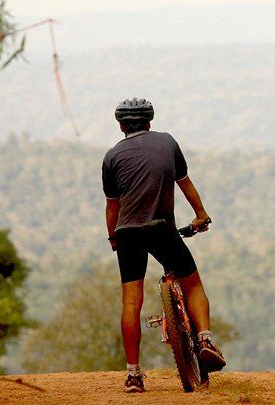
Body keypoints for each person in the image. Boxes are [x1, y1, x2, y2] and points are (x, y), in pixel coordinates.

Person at [102, 98, 226, 393]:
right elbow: (184, 182)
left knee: (131, 302)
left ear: (121, 125)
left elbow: (112, 207)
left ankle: (133, 374)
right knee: (193, 285)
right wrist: (201, 215)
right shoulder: (167, 142)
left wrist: (114, 237)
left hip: (128, 232)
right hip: (162, 229)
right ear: (150, 122)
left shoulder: (112, 157)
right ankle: (206, 338)